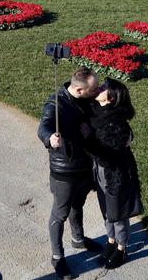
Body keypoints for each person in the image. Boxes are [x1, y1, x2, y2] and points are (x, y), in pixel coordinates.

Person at [37, 67, 103, 280]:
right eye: (94, 88)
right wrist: (50, 138)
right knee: (60, 213)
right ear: (79, 89)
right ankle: (57, 257)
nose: (98, 90)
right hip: (64, 171)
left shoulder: (85, 99)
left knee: (78, 205)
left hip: (84, 166)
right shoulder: (56, 104)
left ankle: (78, 238)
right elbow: (44, 126)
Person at [84, 78, 143, 270]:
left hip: (115, 174)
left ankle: (121, 247)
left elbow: (108, 156)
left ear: (111, 98)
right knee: (106, 210)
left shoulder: (117, 123)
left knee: (117, 213)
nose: (98, 88)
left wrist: (87, 140)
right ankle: (110, 241)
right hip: (99, 172)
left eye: (103, 88)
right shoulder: (95, 111)